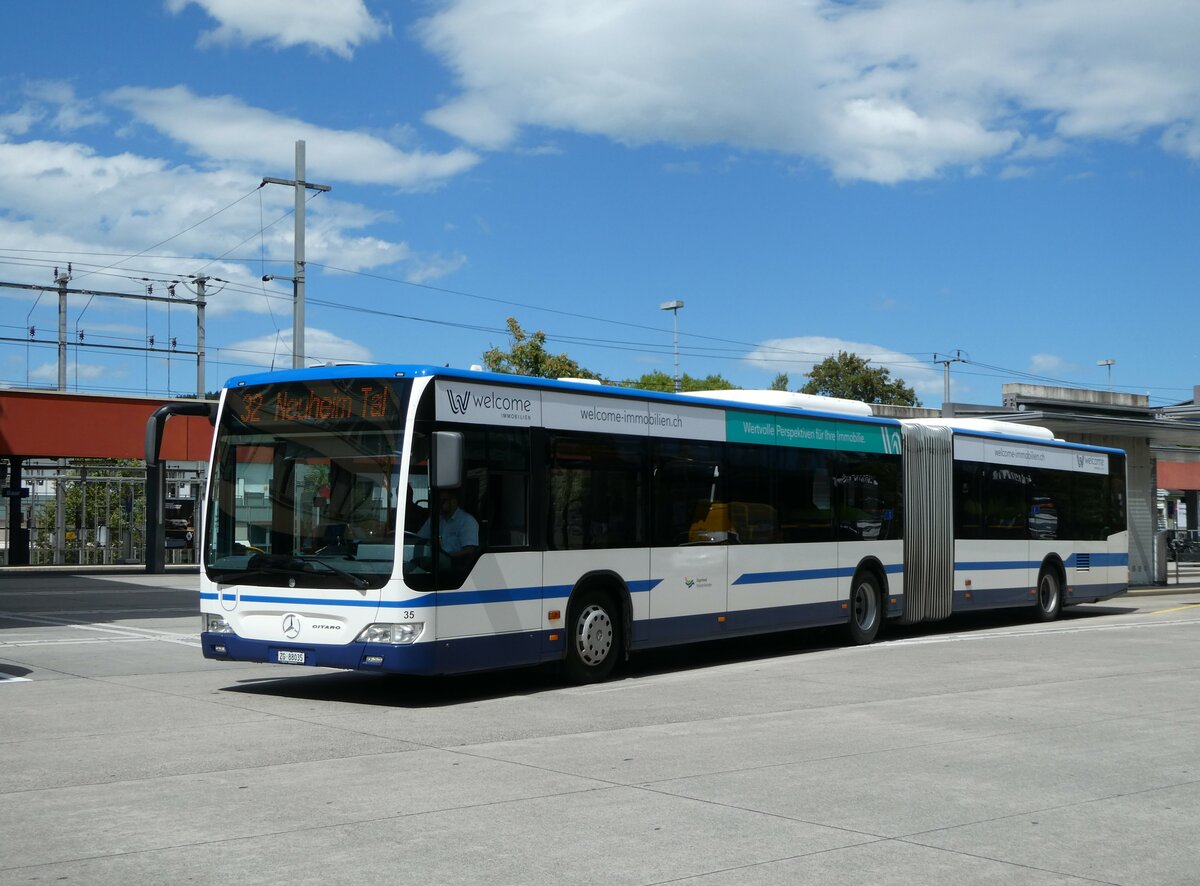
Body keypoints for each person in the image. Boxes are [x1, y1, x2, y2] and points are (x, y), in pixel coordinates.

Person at [416, 490, 479, 564]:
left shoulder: (467, 521)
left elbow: (469, 551)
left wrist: (444, 557)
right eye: (436, 502)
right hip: (433, 564)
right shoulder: (434, 520)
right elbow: (419, 540)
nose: (438, 505)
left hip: (455, 566)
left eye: (442, 502)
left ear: (453, 501)